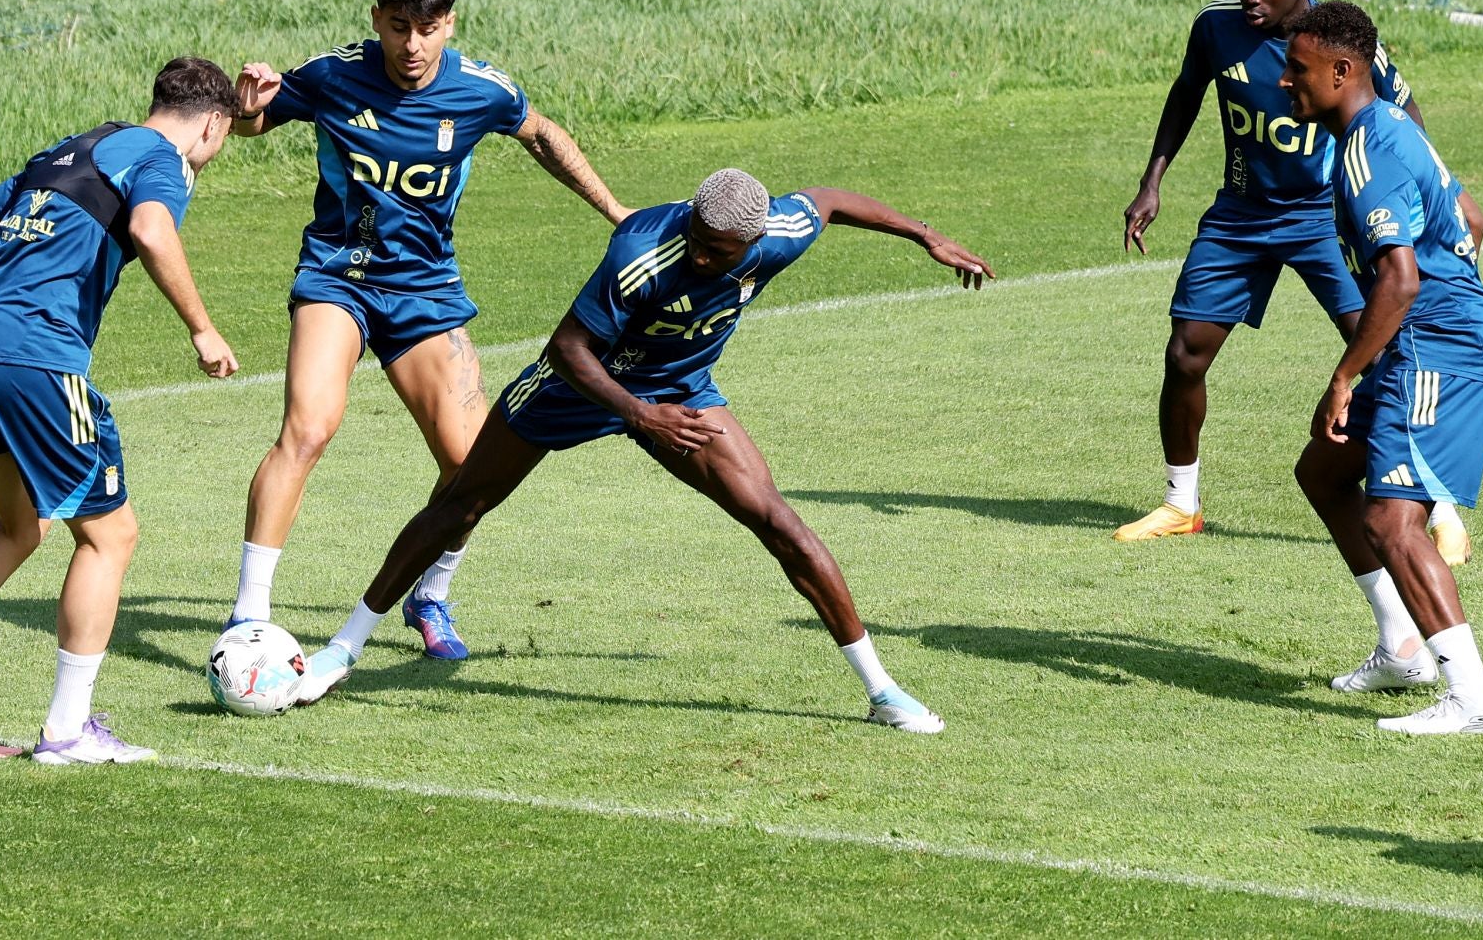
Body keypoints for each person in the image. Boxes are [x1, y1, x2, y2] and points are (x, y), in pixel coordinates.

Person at [290, 169, 993, 733]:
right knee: (461, 502)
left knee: (779, 521)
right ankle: (342, 649)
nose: (699, 255)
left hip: (679, 388)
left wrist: (924, 235)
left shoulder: (779, 232)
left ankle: (882, 690)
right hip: (576, 385)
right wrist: (637, 414)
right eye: (696, 237)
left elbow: (833, 201)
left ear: (752, 243)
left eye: (717, 251)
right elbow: (567, 349)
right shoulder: (642, 252)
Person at [226, 0, 630, 659]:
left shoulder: (482, 90)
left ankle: (432, 592)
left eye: (428, 26)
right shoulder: (334, 74)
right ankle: (248, 614)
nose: (412, 45)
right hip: (338, 276)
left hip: (426, 288)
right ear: (376, 18)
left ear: (450, 21)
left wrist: (616, 211)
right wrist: (247, 104)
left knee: (474, 463)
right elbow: (252, 122)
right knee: (309, 428)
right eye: (397, 26)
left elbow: (542, 134)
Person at [0, 56, 241, 764]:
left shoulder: (62, 152)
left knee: (19, 525)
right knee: (111, 534)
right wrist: (202, 327)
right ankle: (68, 729)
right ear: (211, 124)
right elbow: (151, 230)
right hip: (36, 361)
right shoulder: (163, 159)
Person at [1116, 0, 1472, 564]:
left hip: (1325, 219)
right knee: (1185, 354)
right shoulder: (1215, 27)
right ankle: (1181, 502)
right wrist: (1152, 183)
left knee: (1387, 353)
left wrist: (1414, 203)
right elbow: (1185, 94)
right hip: (1241, 216)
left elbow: (1405, 120)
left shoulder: (1341, 43)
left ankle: (1436, 504)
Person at [1281, 2, 1483, 733]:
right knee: (1323, 468)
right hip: (1425, 340)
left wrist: (1346, 373)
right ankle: (1401, 646)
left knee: (1392, 517)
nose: (1286, 83)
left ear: (1343, 71)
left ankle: (1473, 699)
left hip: (1437, 347)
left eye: (1298, 69)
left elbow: (1402, 279)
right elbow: (1471, 218)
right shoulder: (1392, 130)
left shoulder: (1366, 153)